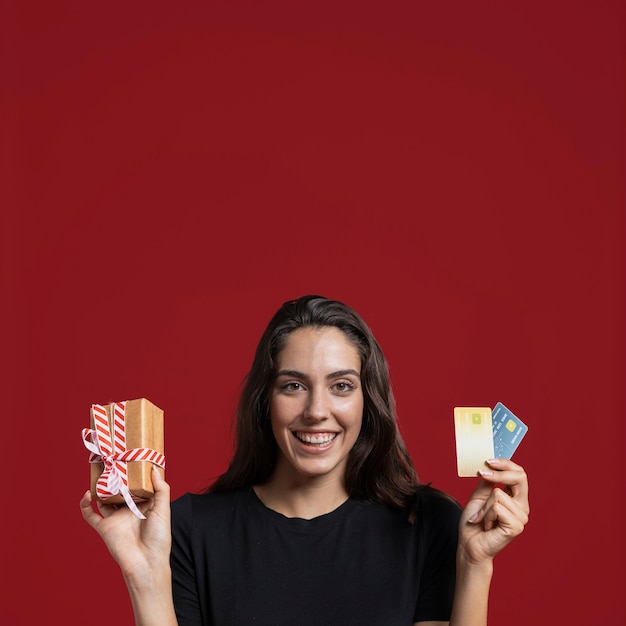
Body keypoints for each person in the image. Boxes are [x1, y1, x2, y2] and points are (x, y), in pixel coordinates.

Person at [80, 294, 530, 626]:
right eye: (293, 385)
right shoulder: (191, 530)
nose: (317, 410)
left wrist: (475, 564)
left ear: (367, 402)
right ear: (265, 401)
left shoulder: (426, 524)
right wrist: (144, 574)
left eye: (341, 386)